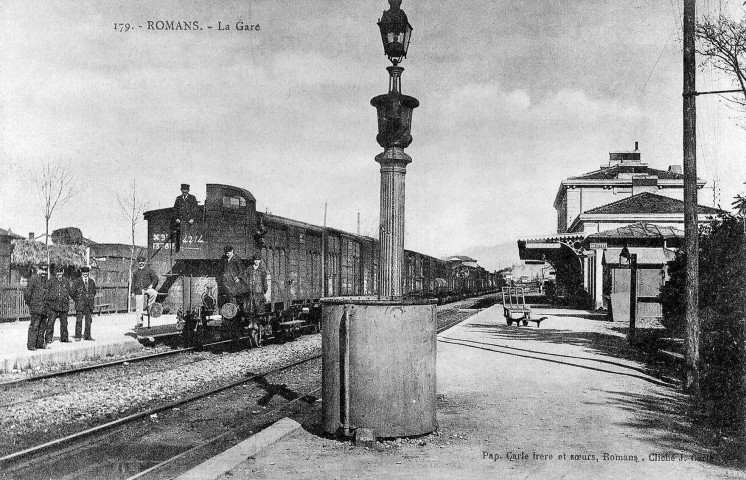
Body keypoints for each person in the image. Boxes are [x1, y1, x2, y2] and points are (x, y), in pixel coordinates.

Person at [24, 264, 49, 350]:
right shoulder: (33, 279)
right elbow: (27, 294)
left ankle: (40, 344)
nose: (44, 272)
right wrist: (32, 305)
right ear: (38, 269)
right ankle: (31, 345)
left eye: (45, 270)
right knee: (34, 326)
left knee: (42, 326)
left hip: (44, 308)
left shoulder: (45, 280)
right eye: (42, 270)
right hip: (36, 307)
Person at [131, 255, 160, 328]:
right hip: (139, 290)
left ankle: (150, 307)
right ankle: (139, 322)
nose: (141, 263)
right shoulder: (135, 272)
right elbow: (133, 283)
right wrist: (132, 292)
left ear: (144, 262)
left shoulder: (149, 270)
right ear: (138, 263)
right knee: (138, 307)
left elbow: (155, 278)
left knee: (154, 293)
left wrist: (151, 285)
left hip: (147, 289)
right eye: (140, 262)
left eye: (142, 262)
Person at [46, 266, 72, 343]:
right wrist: (50, 300)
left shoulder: (66, 281)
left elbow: (69, 292)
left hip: (63, 306)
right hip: (53, 305)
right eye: (57, 272)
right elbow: (47, 292)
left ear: (63, 272)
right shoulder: (51, 280)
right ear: (55, 273)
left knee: (64, 323)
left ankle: (64, 338)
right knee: (50, 322)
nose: (59, 274)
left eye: (60, 272)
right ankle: (48, 338)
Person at [72, 266, 97, 341]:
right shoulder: (77, 281)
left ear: (88, 273)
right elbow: (72, 292)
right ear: (81, 273)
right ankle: (78, 336)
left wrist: (90, 298)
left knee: (88, 321)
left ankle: (87, 336)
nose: (85, 274)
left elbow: (94, 292)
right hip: (80, 303)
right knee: (79, 320)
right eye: (84, 273)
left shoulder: (91, 282)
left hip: (88, 304)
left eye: (86, 272)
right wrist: (77, 299)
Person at [172, 184, 198, 253]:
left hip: (189, 222)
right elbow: (175, 210)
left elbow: (196, 210)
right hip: (180, 222)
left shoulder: (192, 198)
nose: (184, 193)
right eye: (183, 191)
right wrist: (176, 218)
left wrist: (193, 218)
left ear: (188, 190)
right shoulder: (178, 199)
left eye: (186, 191)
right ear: (181, 190)